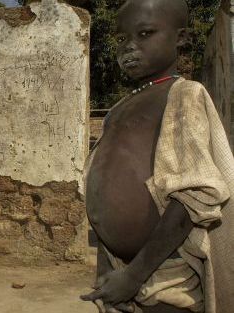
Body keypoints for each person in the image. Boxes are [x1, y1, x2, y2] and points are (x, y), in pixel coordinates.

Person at [80, 1, 234, 312]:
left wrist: (135, 276)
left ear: (182, 39)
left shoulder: (184, 95)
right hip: (121, 271)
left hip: (167, 278)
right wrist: (107, 274)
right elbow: (100, 198)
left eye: (145, 33)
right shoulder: (117, 110)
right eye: (122, 39)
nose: (129, 48)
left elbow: (192, 195)